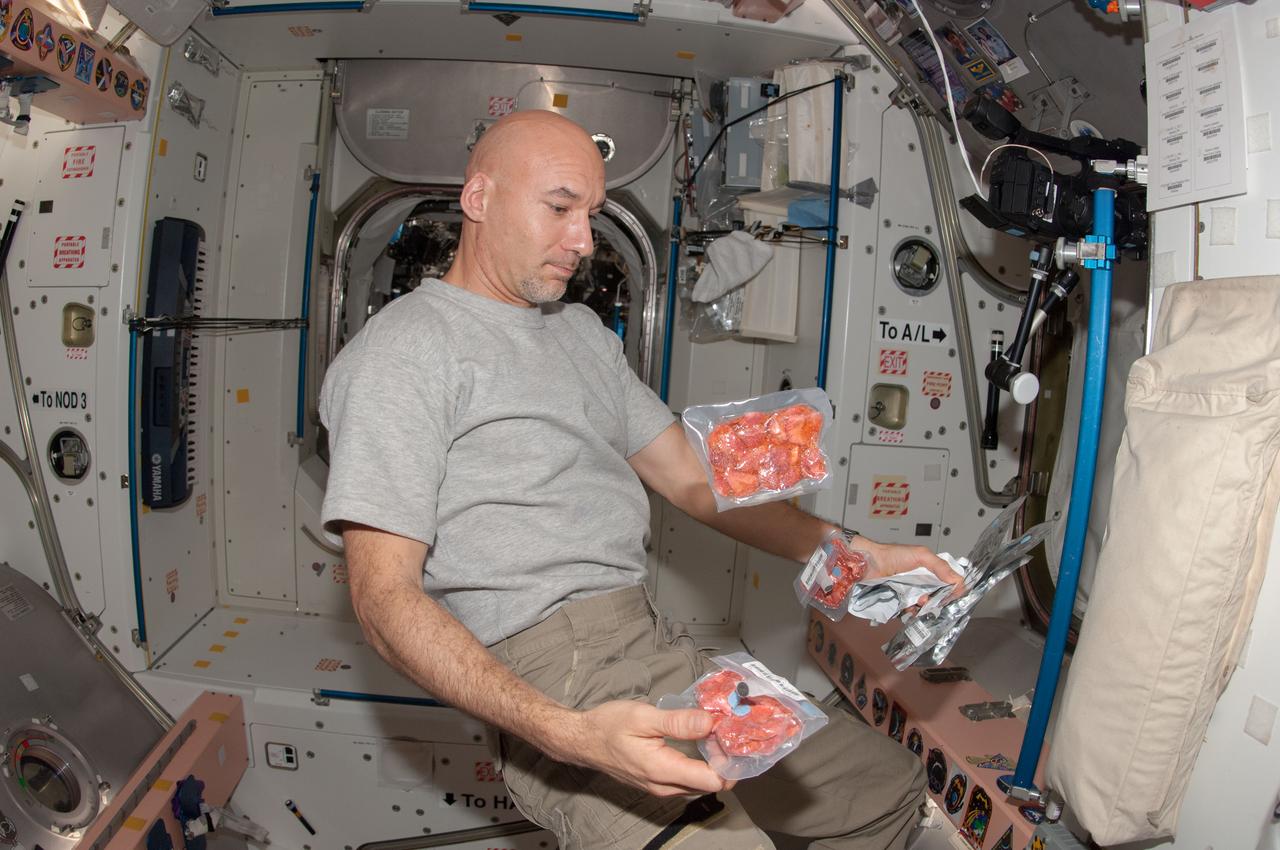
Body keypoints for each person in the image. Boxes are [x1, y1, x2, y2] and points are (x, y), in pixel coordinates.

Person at [320, 109, 957, 849]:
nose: (584, 241)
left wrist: (854, 550)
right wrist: (571, 737)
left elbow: (691, 480)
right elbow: (382, 599)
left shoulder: (580, 334)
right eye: (559, 207)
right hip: (557, 677)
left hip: (657, 643)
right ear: (479, 199)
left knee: (885, 792)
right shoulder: (403, 353)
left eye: (592, 215)